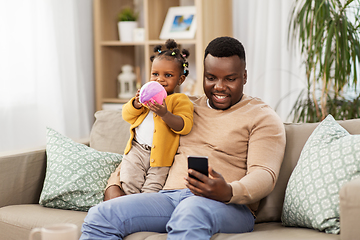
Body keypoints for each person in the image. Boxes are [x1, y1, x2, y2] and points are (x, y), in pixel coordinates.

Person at [80, 36, 286, 239]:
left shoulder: (262, 116)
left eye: (230, 79)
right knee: (101, 216)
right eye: (211, 78)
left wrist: (229, 191)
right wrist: (114, 185)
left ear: (245, 76)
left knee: (190, 211)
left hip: (227, 205)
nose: (220, 87)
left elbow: (264, 174)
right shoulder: (183, 107)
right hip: (168, 198)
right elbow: (143, 147)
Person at [115, 39, 194, 196]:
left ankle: (143, 212)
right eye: (155, 74)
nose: (160, 79)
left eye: (168, 75)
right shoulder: (146, 96)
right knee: (129, 182)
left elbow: (184, 126)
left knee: (152, 191)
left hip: (162, 157)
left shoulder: (179, 100)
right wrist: (136, 103)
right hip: (136, 150)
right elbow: (126, 116)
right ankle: (129, 209)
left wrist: (165, 114)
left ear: (180, 79)